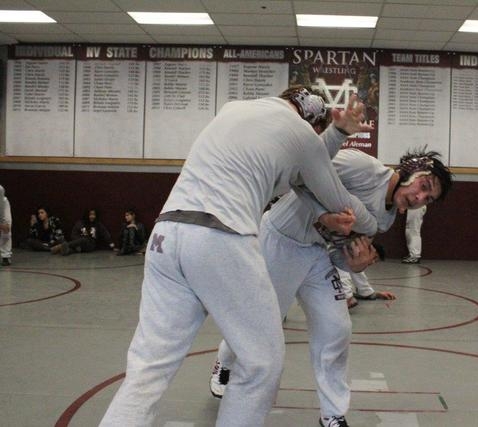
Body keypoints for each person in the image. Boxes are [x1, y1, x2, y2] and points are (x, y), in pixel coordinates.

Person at [99, 87, 377, 427]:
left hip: (166, 235)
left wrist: (320, 209)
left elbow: (300, 181)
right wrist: (373, 223)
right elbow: (336, 196)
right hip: (220, 236)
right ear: (313, 123)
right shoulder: (302, 133)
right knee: (261, 363)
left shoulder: (233, 110)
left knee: (148, 367)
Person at [209, 147, 452, 427]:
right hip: (281, 240)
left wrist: (354, 264)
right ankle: (225, 361)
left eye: (428, 199)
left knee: (337, 328)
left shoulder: (384, 219)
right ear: (411, 171)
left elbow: (339, 252)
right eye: (424, 186)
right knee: (260, 323)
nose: (420, 198)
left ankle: (332, 413)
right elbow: (300, 172)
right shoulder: (361, 166)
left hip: (316, 254)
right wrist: (323, 215)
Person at [50, 209, 114, 256]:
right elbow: (73, 234)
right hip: (78, 243)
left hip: (90, 245)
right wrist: (78, 243)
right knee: (73, 245)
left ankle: (61, 245)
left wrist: (111, 244)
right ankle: (66, 250)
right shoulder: (80, 223)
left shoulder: (98, 224)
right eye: (90, 214)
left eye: (94, 215)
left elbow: (105, 233)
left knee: (84, 239)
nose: (92, 216)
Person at [0, 185, 12, 266]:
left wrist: (2, 222)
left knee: (6, 228)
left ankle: (6, 256)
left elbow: (1, 206)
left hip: (2, 206)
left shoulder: (0, 189)